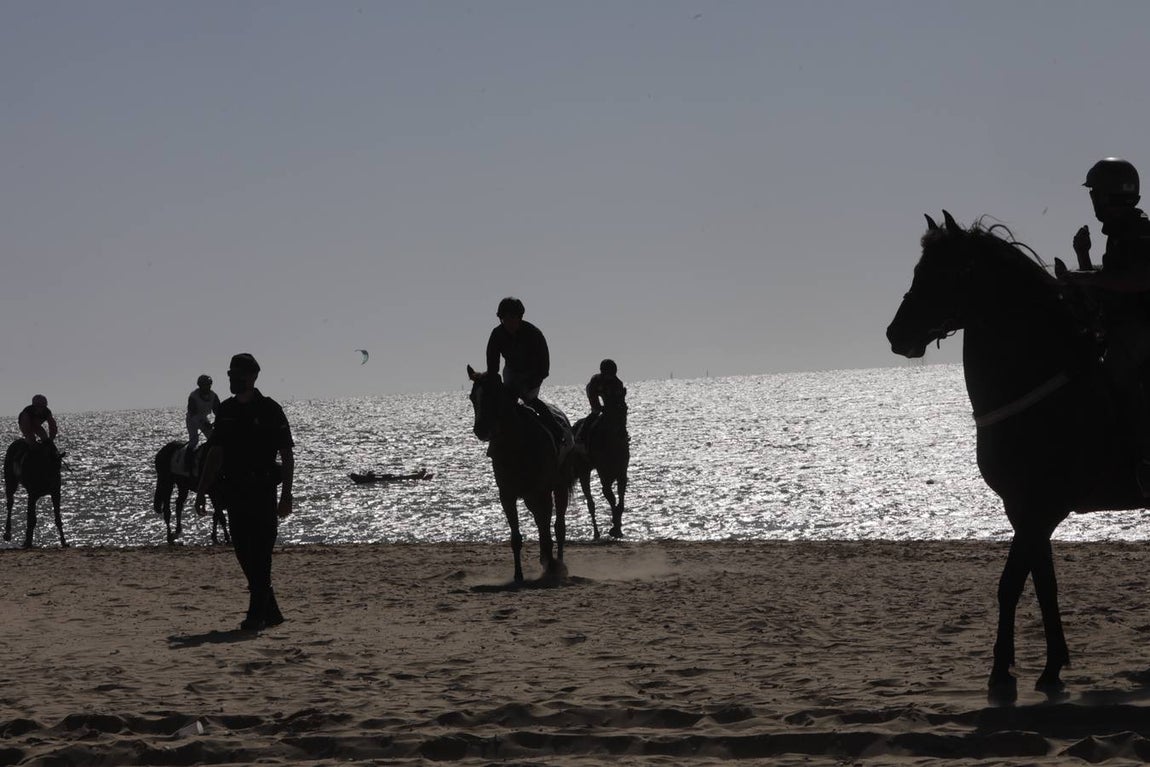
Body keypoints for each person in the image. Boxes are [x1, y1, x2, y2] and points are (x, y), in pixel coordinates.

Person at [1067, 157, 1150, 492]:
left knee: (1116, 375)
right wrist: (1083, 259)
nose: (1093, 201)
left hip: (1142, 327)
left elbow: (1139, 279)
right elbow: (1108, 286)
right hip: (1125, 327)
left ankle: (1145, 459)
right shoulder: (1119, 233)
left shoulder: (1139, 233)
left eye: (1095, 193)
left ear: (1106, 195)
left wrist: (1089, 277)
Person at [196, 353, 294, 631]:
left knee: (261, 552)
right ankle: (270, 611)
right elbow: (215, 453)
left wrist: (286, 496)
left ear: (252, 377)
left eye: (237, 375)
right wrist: (202, 490)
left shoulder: (270, 409)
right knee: (243, 552)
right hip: (235, 492)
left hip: (263, 491)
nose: (232, 379)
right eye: (230, 374)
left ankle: (255, 614)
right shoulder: (226, 410)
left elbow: (287, 456)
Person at [485, 297, 569, 452]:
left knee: (530, 399)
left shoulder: (534, 333)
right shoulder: (497, 334)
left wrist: (529, 383)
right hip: (511, 371)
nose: (509, 323)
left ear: (519, 318)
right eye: (505, 319)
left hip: (534, 373)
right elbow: (492, 367)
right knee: (504, 402)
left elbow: (544, 367)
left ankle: (558, 433)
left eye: (512, 318)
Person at [185, 374, 221, 473]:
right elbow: (193, 413)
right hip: (192, 419)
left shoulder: (213, 396)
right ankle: (187, 464)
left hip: (204, 419)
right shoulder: (193, 396)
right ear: (200, 386)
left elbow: (218, 411)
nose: (207, 387)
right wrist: (204, 424)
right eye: (205, 385)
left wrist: (219, 420)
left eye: (209, 385)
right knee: (194, 441)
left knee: (213, 438)